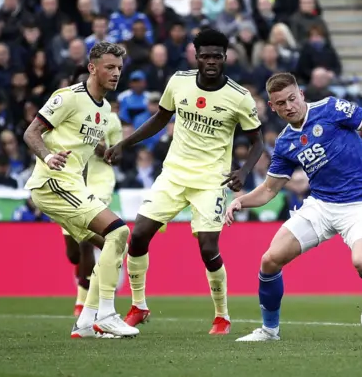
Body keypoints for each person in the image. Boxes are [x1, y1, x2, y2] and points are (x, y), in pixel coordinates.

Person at [225, 72, 362, 342]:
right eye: (281, 103)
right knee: (269, 260)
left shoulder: (332, 109)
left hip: (361, 202)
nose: (289, 106)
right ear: (273, 106)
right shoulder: (285, 142)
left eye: (292, 98)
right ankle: (269, 330)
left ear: (301, 94)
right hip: (321, 206)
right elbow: (268, 190)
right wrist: (241, 200)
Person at [104, 27, 264, 335]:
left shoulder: (239, 97)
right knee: (137, 237)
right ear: (197, 57)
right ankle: (138, 305)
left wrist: (243, 172)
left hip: (211, 181)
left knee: (207, 248)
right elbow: (160, 119)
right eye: (205, 56)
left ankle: (222, 316)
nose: (211, 61)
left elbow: (258, 142)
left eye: (216, 56)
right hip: (174, 174)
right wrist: (125, 143)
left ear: (225, 57)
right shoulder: (178, 82)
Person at [23, 42, 139, 339]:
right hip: (52, 183)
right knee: (119, 231)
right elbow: (31, 132)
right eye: (109, 67)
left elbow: (84, 151)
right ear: (92, 68)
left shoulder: (102, 110)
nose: (116, 74)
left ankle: (87, 321)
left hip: (72, 183)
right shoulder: (69, 98)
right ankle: (108, 314)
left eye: (119, 69)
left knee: (113, 242)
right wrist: (48, 157)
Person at [62, 70, 124, 318]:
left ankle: (83, 299)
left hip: (99, 183)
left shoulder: (109, 116)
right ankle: (91, 279)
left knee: (87, 241)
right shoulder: (65, 114)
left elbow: (115, 157)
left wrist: (99, 145)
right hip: (71, 182)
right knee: (73, 253)